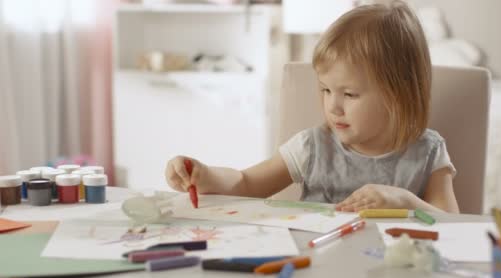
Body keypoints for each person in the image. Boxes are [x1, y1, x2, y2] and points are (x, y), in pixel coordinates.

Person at [165, 2, 459, 213]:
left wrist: (405, 201)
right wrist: (205, 175)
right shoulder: (312, 146)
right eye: (326, 90)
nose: (333, 106)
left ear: (399, 95)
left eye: (350, 94)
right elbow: (246, 182)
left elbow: (453, 224)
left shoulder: (428, 152)